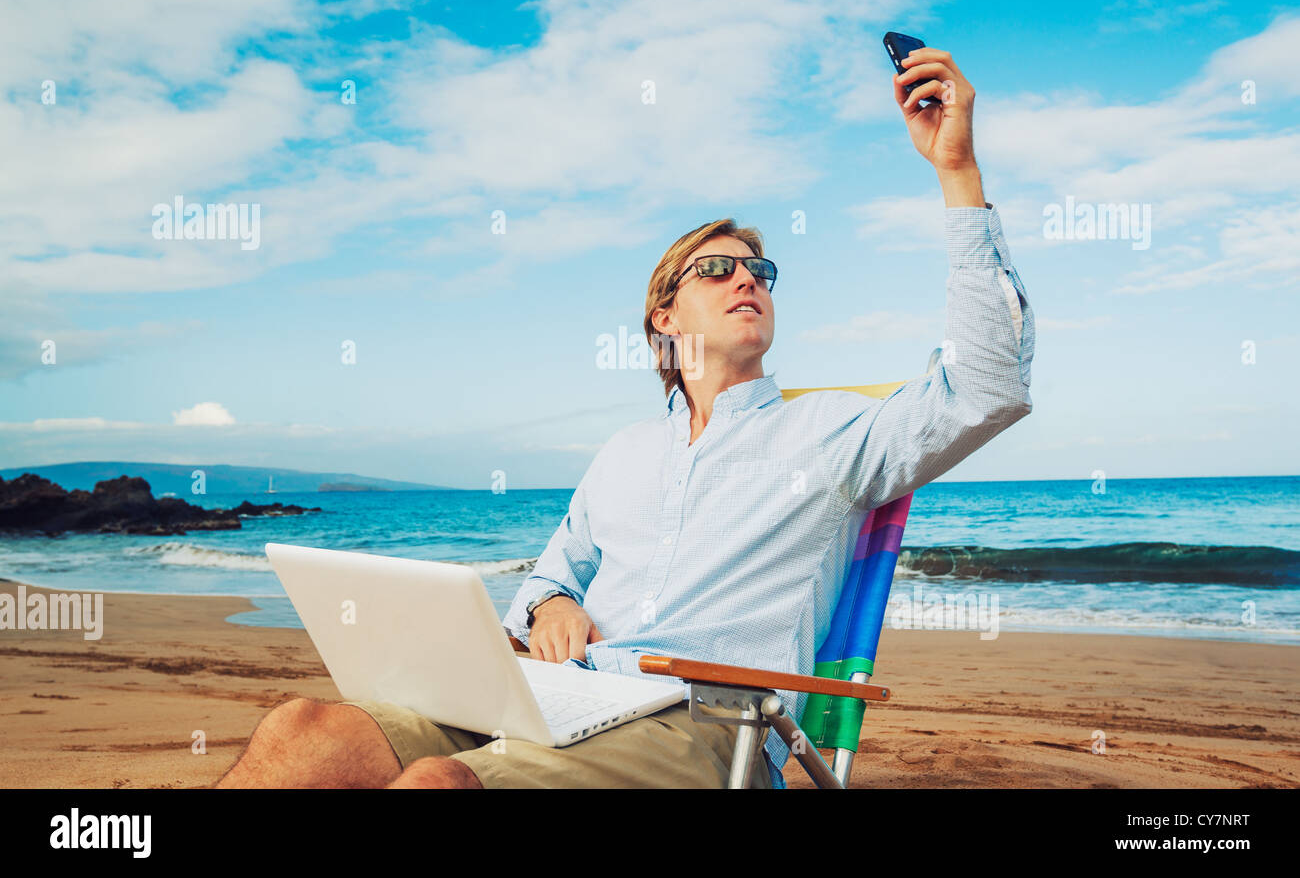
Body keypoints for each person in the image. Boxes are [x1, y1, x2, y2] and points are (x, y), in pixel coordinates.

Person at [215, 47, 1034, 789]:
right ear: (665, 318)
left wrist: (956, 172)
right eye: (716, 269)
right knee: (305, 732)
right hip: (553, 695)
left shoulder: (831, 435)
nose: (746, 278)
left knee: (437, 784)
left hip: (701, 730)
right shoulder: (623, 453)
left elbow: (986, 386)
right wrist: (549, 609)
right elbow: (545, 580)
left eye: (759, 269)